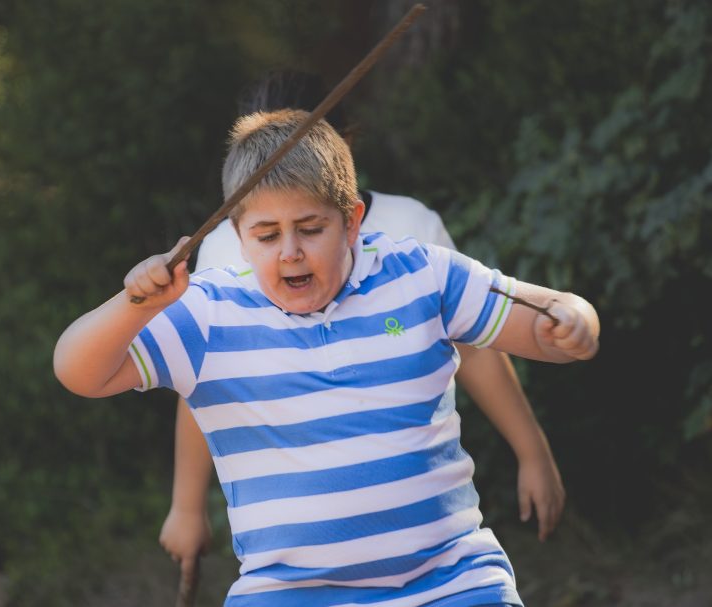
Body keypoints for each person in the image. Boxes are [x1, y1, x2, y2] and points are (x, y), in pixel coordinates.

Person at [53, 109, 600, 606]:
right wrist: (133, 305)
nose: (290, 250)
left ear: (352, 220)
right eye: (266, 235)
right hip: (286, 592)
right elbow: (78, 371)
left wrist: (573, 320)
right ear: (238, 237)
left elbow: (544, 313)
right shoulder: (208, 313)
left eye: (310, 229)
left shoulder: (420, 272)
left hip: (452, 581)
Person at [159, 71, 566, 582]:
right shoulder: (226, 246)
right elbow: (201, 380)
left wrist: (533, 451)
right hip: (297, 554)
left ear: (341, 141)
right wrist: (187, 505)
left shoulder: (412, 228)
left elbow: (479, 345)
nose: (289, 248)